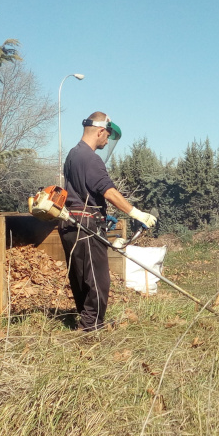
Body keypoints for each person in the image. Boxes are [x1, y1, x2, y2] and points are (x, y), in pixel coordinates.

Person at [59, 112, 157, 331]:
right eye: (108, 135)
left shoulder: (73, 154)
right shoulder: (91, 158)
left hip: (70, 221)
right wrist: (137, 213)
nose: (107, 140)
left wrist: (102, 215)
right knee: (97, 278)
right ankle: (91, 326)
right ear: (100, 131)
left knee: (80, 276)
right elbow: (109, 191)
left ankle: (86, 320)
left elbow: (79, 192)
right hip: (85, 224)